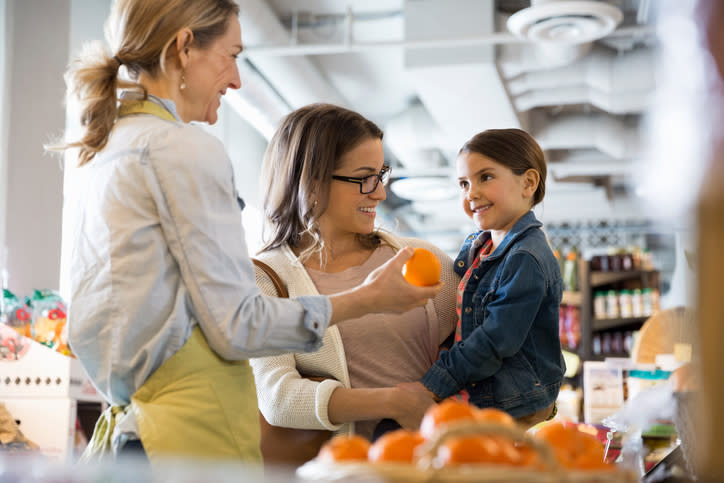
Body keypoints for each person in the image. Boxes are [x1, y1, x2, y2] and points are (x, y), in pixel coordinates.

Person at [47, 0, 440, 464]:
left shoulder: (99, 151)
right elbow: (238, 325)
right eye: (232, 55)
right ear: (185, 47)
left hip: (132, 435)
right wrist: (367, 298)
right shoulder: (184, 149)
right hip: (192, 437)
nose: (236, 79)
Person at [250, 103, 459, 449]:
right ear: (312, 181)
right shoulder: (266, 278)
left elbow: (485, 346)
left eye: (381, 174)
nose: (380, 192)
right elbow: (278, 398)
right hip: (342, 469)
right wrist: (394, 402)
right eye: (364, 179)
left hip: (433, 466)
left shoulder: (420, 259)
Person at [399, 128, 565, 428]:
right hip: (481, 386)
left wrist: (433, 384)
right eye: (463, 183)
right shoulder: (480, 244)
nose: (471, 193)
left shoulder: (524, 257)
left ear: (528, 183)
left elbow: (494, 341)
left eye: (485, 177)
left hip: (511, 402)